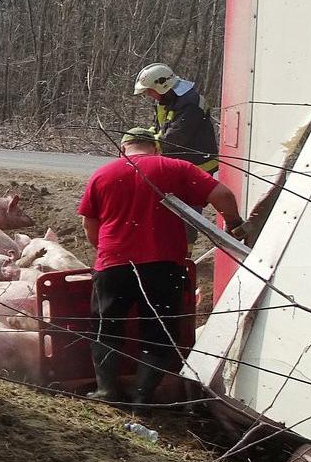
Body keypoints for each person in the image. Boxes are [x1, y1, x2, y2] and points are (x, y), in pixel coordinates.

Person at [78, 126, 242, 405]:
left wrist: (104, 250)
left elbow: (89, 223)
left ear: (123, 149)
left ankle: (107, 390)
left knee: (106, 327)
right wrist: (235, 223)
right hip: (163, 265)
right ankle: (143, 397)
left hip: (113, 264)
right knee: (159, 330)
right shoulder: (176, 168)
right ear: (155, 148)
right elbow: (223, 196)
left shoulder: (103, 173)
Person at [132, 63, 219, 174]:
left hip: (198, 165)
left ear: (162, 86)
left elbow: (176, 136)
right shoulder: (166, 100)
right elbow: (159, 127)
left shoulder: (190, 102)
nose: (148, 94)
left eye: (150, 90)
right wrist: (144, 136)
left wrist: (147, 146)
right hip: (180, 162)